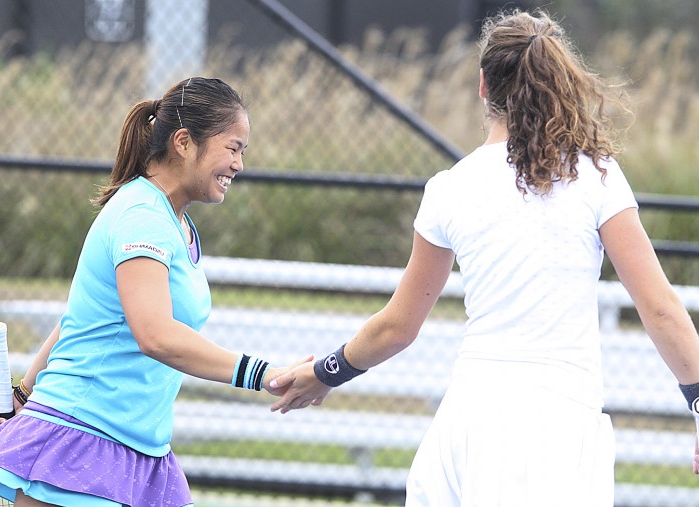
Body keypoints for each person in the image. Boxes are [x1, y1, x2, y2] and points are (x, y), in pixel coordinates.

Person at [269, 10, 699, 507]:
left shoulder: (449, 188)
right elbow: (661, 308)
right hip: (554, 431)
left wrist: (325, 372)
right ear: (557, 84)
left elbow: (396, 328)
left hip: (463, 427)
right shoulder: (596, 176)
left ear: (482, 85)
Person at [0, 76, 305, 506]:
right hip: (81, 435)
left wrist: (24, 390)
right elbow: (155, 335)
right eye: (233, 148)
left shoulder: (173, 222)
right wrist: (265, 373)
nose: (238, 164)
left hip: (138, 446)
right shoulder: (141, 215)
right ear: (183, 142)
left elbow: (84, 316)